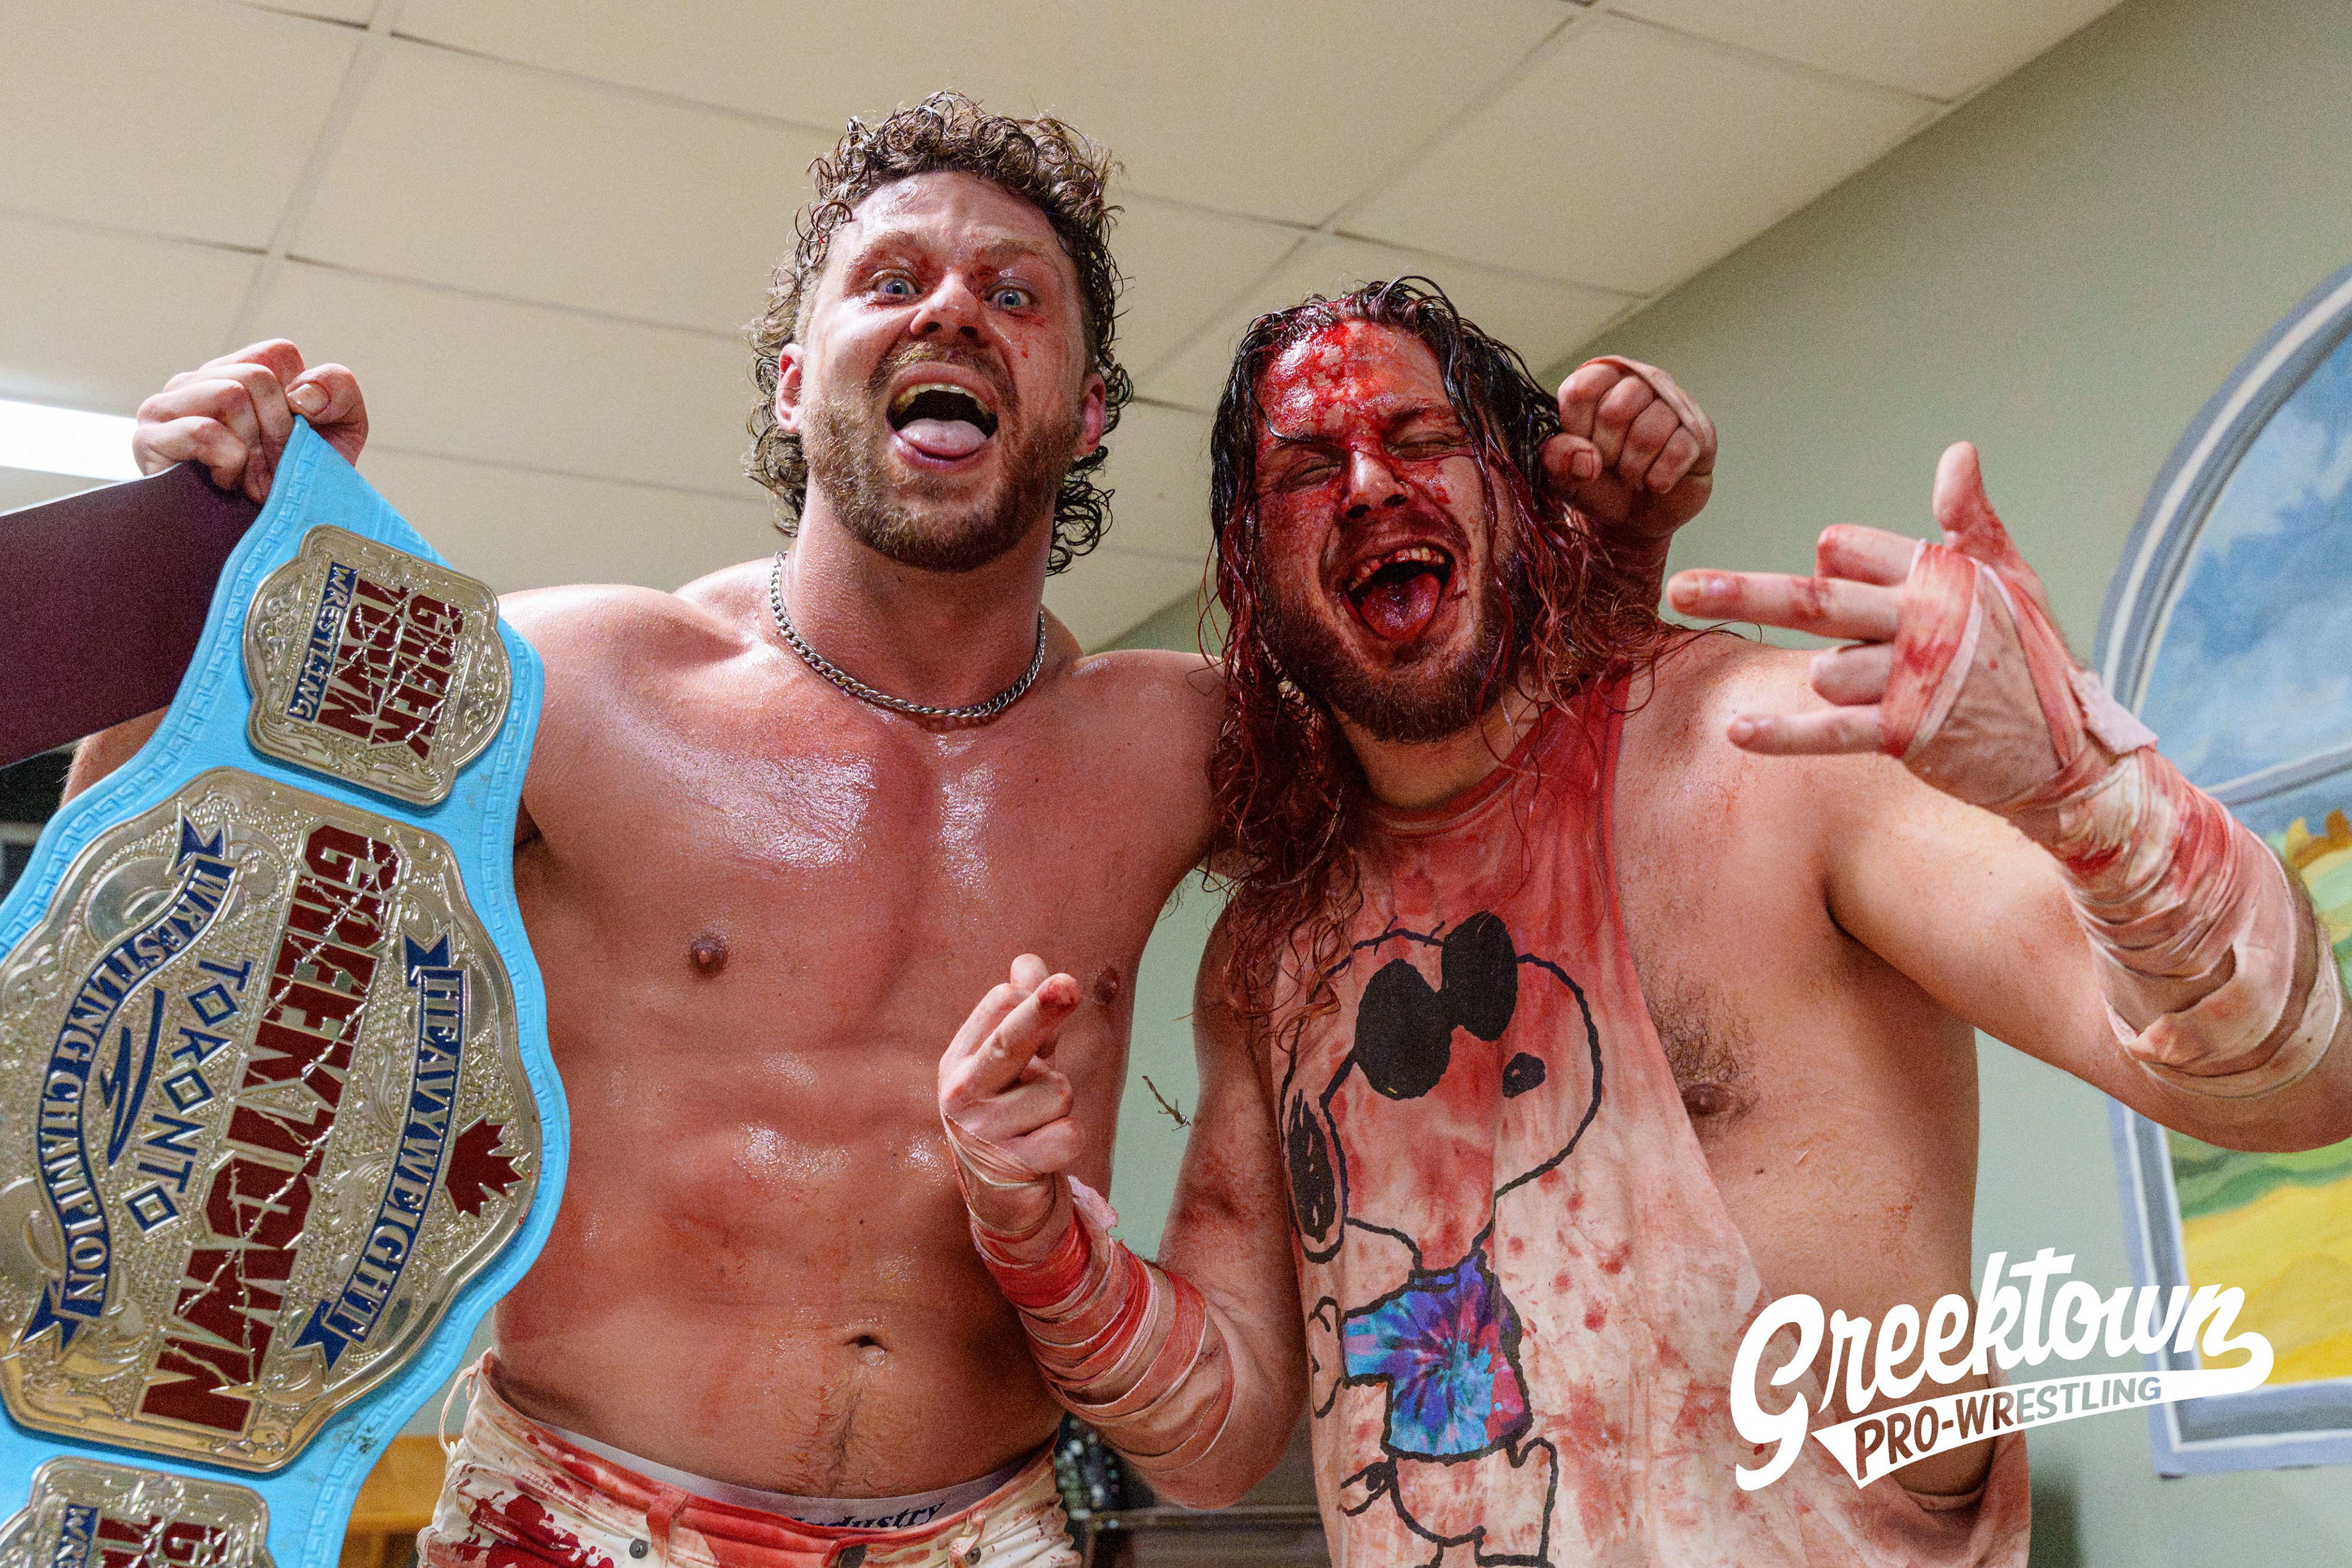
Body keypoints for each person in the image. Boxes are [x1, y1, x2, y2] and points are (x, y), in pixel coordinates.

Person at [74, 91, 1717, 1565]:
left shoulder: (1186, 742)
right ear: (798, 383)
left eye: (1015, 294)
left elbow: (1491, 790)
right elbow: (134, 918)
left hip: (992, 1527)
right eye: (892, 281)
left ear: (1086, 412)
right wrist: (189, 581)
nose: (951, 309)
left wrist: (1618, 549)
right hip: (573, 1518)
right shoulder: (574, 680)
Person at [935, 279, 2352, 1566]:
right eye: (1307, 469)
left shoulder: (1770, 757)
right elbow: (1211, 1440)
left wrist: (2094, 789)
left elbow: (2294, 1085)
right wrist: (1042, 1238)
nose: (1368, 483)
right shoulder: (1276, 952)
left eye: (1422, 438)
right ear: (1252, 576)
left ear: (1525, 494)